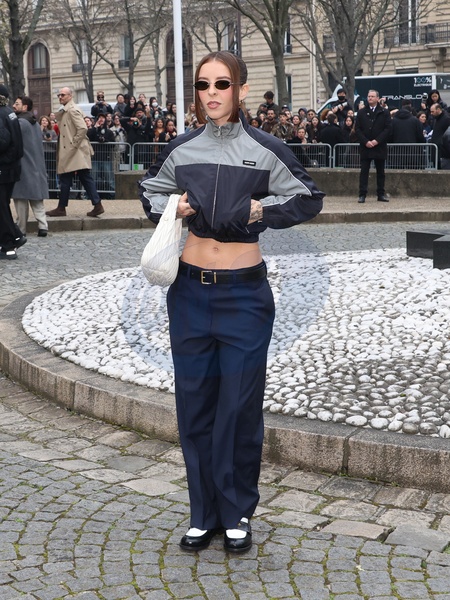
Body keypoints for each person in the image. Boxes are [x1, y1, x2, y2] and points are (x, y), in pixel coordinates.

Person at [139, 51, 324, 554]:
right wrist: (172, 206)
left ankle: (237, 509)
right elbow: (149, 190)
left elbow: (308, 197)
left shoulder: (266, 148)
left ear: (241, 89)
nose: (212, 93)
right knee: (194, 404)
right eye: (203, 85)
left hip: (245, 296)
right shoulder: (181, 149)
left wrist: (264, 210)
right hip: (189, 293)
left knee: (239, 407)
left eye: (222, 84)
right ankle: (203, 514)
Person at [46, 87, 105, 218]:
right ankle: (94, 205)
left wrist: (73, 144)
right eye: (59, 95)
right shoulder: (68, 110)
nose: (60, 97)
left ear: (70, 96)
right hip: (74, 150)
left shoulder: (72, 110)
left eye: (63, 95)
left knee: (73, 178)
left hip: (75, 151)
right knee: (75, 178)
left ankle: (63, 208)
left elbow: (82, 128)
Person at [12, 96, 49, 237]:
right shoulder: (35, 123)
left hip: (23, 165)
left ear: (25, 107)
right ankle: (43, 225)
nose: (14, 105)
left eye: (17, 103)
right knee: (37, 198)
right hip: (36, 165)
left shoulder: (20, 123)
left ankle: (21, 228)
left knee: (20, 199)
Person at [0, 84, 25, 260]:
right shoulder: (9, 112)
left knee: (1, 207)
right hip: (11, 167)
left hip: (4, 167)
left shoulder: (1, 114)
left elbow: (3, 141)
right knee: (2, 206)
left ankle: (9, 244)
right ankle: (15, 236)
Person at [355, 89, 392, 203]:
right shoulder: (361, 112)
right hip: (365, 146)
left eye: (372, 96)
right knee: (364, 171)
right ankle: (362, 194)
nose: (370, 98)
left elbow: (387, 129)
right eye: (368, 96)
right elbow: (357, 129)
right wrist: (366, 141)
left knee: (380, 172)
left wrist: (377, 141)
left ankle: (381, 194)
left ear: (377, 98)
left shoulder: (384, 112)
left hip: (379, 146)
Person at [87, 113, 116, 199]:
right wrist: (95, 127)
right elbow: (88, 136)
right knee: (93, 178)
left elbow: (113, 144)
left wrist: (105, 140)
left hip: (106, 158)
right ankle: (91, 195)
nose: (101, 119)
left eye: (103, 118)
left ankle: (112, 195)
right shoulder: (94, 131)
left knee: (109, 179)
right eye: (99, 117)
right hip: (95, 158)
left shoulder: (109, 132)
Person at [390, 102, 425, 168]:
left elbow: (389, 136)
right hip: (413, 153)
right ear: (410, 112)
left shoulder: (393, 121)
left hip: (396, 153)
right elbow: (420, 136)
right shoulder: (415, 121)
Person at [40, 115, 58, 198]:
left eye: (46, 121)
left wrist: (50, 141)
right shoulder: (37, 131)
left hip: (50, 153)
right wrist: (40, 131)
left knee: (51, 173)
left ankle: (53, 193)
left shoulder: (52, 131)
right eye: (43, 120)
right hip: (41, 153)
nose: (44, 122)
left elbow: (56, 144)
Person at [430, 103, 450, 169]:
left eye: (432, 111)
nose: (431, 113)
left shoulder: (446, 119)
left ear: (438, 110)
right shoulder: (436, 119)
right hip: (437, 150)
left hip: (443, 152)